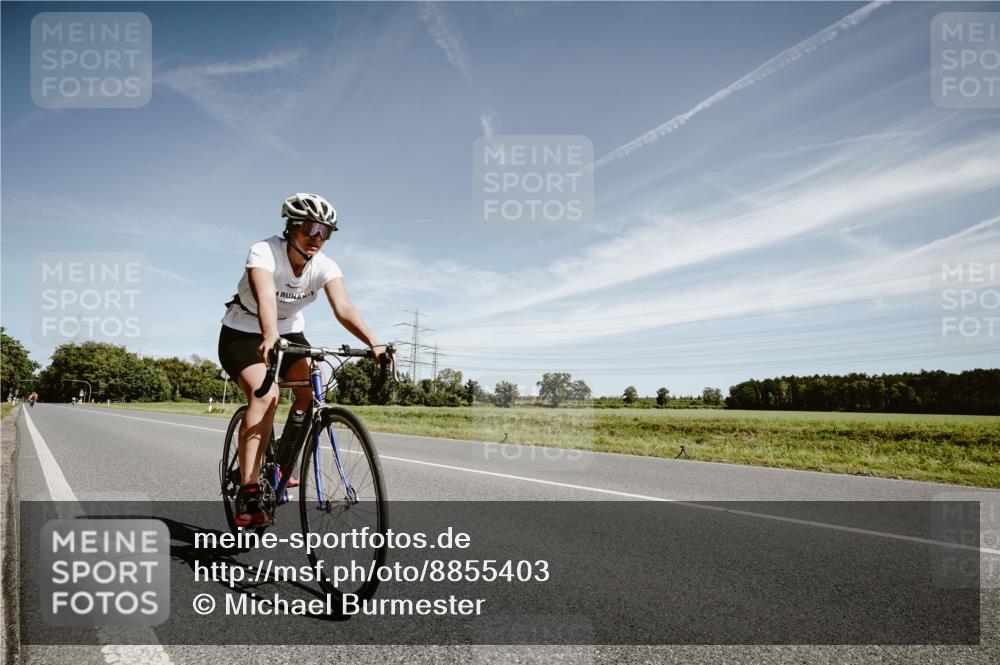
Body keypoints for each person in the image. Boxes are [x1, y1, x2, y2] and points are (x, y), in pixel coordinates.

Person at [217, 193, 386, 528]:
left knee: (312, 388)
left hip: (289, 332)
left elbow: (344, 309)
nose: (317, 237)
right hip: (244, 330)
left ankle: (280, 462)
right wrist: (268, 335)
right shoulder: (264, 252)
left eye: (326, 231)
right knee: (266, 395)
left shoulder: (325, 266)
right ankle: (248, 493)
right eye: (310, 227)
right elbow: (265, 296)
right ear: (292, 226)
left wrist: (374, 343)